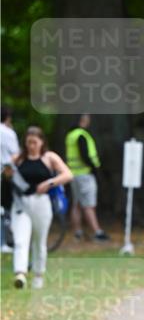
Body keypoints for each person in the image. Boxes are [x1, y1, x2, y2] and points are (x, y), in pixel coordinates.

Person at [9, 126, 72, 289]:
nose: (31, 146)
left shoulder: (49, 157)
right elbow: (8, 174)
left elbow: (67, 174)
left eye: (34, 142)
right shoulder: (18, 158)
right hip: (22, 203)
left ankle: (38, 274)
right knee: (21, 239)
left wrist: (49, 183)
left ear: (41, 142)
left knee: (39, 240)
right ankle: (20, 273)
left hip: (41, 202)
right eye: (29, 142)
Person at [65, 114, 110, 242]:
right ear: (84, 120)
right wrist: (94, 168)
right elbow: (85, 154)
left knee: (77, 204)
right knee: (89, 204)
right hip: (85, 173)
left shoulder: (70, 135)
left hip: (74, 173)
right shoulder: (81, 135)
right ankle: (97, 232)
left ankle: (77, 232)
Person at [1, 106, 20, 253]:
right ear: (8, 117)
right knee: (8, 208)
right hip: (6, 173)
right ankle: (5, 242)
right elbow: (16, 153)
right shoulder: (8, 133)